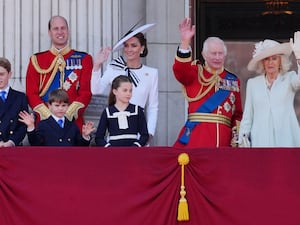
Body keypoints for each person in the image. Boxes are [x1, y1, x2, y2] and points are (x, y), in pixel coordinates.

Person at [172, 18, 243, 148]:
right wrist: (185, 42)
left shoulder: (233, 80)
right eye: (213, 53)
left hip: (224, 141)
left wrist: (236, 136)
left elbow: (237, 114)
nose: (217, 57)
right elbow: (180, 70)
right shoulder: (194, 73)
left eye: (220, 53)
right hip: (196, 139)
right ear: (204, 55)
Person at [91, 23, 158, 144]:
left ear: (142, 48)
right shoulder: (114, 68)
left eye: (134, 45)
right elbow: (96, 90)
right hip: (115, 133)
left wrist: (149, 133)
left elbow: (153, 106)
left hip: (139, 132)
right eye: (126, 46)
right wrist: (97, 66)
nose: (129, 49)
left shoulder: (151, 73)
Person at [25, 15, 93, 130]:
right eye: (56, 29)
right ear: (49, 32)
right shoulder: (36, 60)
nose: (60, 32)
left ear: (68, 31)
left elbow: (86, 93)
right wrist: (49, 117)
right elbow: (31, 94)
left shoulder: (84, 59)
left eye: (63, 28)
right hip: (44, 124)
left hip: (73, 124)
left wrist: (67, 116)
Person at [238, 32, 300, 147]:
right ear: (262, 62)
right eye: (267, 59)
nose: (270, 63)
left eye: (274, 59)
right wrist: (243, 138)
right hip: (261, 141)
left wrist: (299, 58)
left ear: (280, 61)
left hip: (286, 140)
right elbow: (248, 115)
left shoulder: (289, 79)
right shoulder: (253, 84)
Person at [19, 89, 95, 146]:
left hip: (68, 162)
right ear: (49, 106)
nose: (60, 108)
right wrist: (31, 127)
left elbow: (80, 147)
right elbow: (35, 143)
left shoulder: (72, 126)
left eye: (63, 105)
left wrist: (85, 136)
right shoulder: (43, 125)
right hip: (50, 162)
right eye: (57, 105)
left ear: (68, 106)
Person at [95, 75, 149, 147]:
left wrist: (136, 146)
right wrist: (109, 147)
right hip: (114, 154)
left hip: (133, 153)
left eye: (130, 90)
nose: (128, 94)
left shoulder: (137, 110)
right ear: (115, 91)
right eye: (125, 90)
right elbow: (99, 138)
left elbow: (145, 135)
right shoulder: (107, 112)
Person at [0, 57, 28, 147]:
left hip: (14, 146)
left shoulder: (20, 97)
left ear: (9, 74)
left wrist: (12, 142)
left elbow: (23, 125)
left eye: (1, 74)